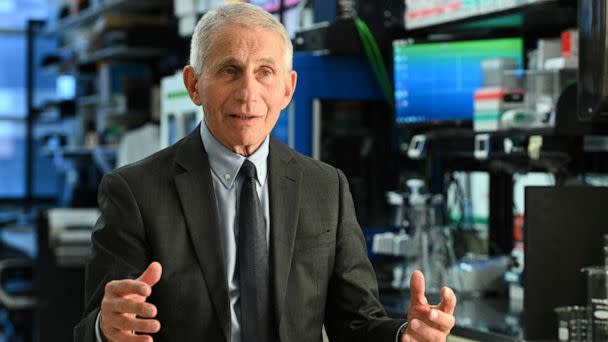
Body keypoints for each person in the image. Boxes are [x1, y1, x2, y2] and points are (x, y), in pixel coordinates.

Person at [74, 3, 456, 342]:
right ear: (194, 84)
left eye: (265, 72)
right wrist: (106, 330)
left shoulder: (326, 188)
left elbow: (356, 323)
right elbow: (95, 326)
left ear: (287, 90)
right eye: (230, 70)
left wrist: (404, 335)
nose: (248, 93)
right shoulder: (135, 190)